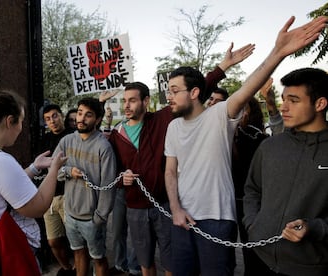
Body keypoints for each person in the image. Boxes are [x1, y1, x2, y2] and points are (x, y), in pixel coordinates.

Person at [164, 16, 327, 276]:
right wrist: (176, 209)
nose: (168, 97)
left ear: (194, 93)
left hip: (217, 221)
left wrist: (279, 52)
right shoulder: (172, 127)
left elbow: (249, 86)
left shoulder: (219, 115)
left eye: (173, 90)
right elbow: (170, 172)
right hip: (181, 218)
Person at [107, 42, 255, 276]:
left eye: (132, 100)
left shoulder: (164, 120)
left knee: (173, 264)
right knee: (145, 261)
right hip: (136, 206)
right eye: (124, 101)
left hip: (166, 207)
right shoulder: (116, 134)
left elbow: (194, 89)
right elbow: (111, 171)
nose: (127, 105)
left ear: (145, 102)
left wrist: (223, 66)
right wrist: (120, 179)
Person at [0, 90, 67, 274]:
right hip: (10, 249)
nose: (21, 128)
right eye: (21, 121)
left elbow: (3, 188)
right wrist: (54, 169)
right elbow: (37, 206)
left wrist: (35, 167)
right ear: (10, 121)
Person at [243, 67, 328, 276]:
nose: (284, 107)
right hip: (259, 258)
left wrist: (314, 228)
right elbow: (252, 190)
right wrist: (254, 225)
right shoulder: (270, 146)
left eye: (294, 100)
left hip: (310, 267)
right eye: (283, 99)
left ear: (320, 104)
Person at [54, 97, 117, 276]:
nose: (81, 118)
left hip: (92, 219)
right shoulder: (66, 141)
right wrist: (68, 171)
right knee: (79, 254)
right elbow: (54, 172)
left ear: (97, 120)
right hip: (71, 215)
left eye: (88, 115)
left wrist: (99, 217)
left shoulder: (103, 147)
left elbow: (108, 186)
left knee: (98, 258)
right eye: (80, 113)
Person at [232, 97, 268, 275]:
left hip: (248, 199)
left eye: (241, 109)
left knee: (251, 243)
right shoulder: (235, 133)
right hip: (233, 197)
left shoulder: (255, 135)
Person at [40, 104, 75, 275]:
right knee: (53, 241)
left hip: (69, 195)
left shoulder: (72, 135)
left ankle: (80, 268)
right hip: (49, 198)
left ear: (61, 115)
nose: (52, 121)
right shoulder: (44, 140)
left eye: (54, 116)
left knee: (76, 239)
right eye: (47, 119)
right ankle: (67, 268)